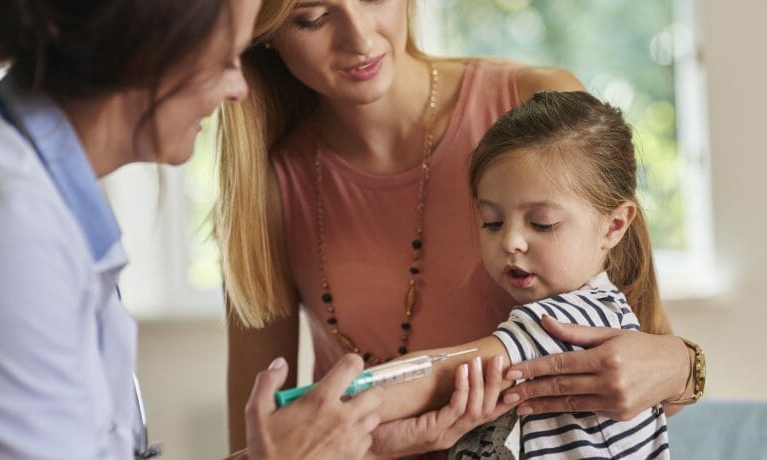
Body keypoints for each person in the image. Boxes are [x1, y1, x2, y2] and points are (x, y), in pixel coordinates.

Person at [216, 0, 702, 456]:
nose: (360, 38)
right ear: (264, 32)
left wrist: (686, 370)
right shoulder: (265, 183)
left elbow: (656, 366)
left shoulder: (539, 117)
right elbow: (257, 439)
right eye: (313, 17)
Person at [0, 1, 384, 458]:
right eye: (224, 62)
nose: (238, 87)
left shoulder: (44, 198)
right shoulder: (19, 232)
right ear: (145, 50)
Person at [447, 90, 670, 458]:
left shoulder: (571, 321)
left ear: (613, 226)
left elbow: (438, 377)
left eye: (542, 223)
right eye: (493, 222)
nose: (511, 241)